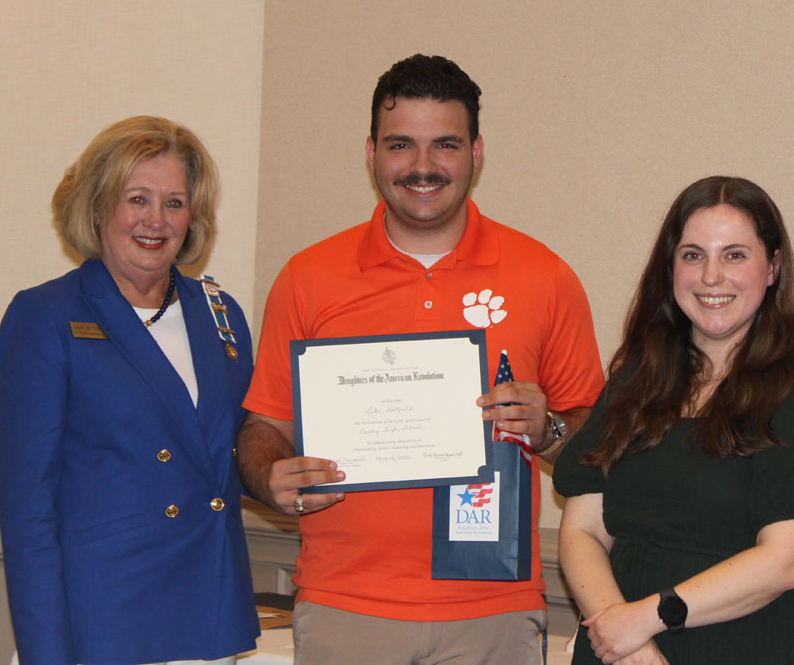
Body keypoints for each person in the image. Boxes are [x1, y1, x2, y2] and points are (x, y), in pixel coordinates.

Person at [237, 53, 605, 664]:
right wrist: (269, 476)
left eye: (446, 145)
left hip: (494, 608)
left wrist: (551, 429)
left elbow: (599, 444)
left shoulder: (545, 276)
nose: (423, 166)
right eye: (401, 144)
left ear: (477, 152)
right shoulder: (308, 277)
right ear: (372, 151)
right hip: (344, 605)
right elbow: (262, 428)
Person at [0, 116, 259, 665]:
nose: (155, 221)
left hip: (208, 616)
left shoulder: (219, 314)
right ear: (96, 207)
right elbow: (29, 512)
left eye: (175, 203)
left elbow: (229, 454)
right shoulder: (45, 317)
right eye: (136, 198)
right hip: (103, 625)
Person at [554, 176, 794, 665]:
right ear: (670, 267)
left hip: (744, 645)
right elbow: (582, 531)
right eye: (693, 255)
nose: (712, 276)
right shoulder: (633, 383)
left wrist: (650, 616)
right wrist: (625, 638)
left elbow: (787, 561)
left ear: (773, 267)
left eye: (735, 255)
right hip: (619, 648)